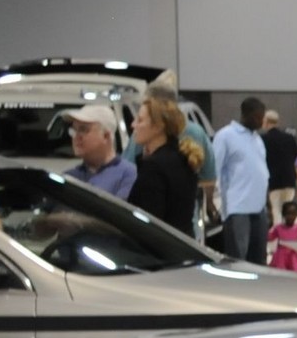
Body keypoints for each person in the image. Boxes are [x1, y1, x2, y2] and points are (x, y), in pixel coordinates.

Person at [212, 96, 273, 262]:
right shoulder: (225, 136)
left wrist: (268, 205)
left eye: (262, 117)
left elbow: (262, 173)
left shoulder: (257, 139)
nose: (261, 122)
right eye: (257, 117)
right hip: (237, 208)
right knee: (238, 259)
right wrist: (214, 204)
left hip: (259, 209)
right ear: (245, 115)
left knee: (259, 259)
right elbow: (214, 170)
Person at [129, 97, 200, 237]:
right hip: (184, 243)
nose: (133, 125)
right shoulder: (183, 158)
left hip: (162, 251)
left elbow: (150, 223)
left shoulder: (155, 167)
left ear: (158, 126)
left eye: (140, 120)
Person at [65, 103, 137, 201]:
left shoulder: (127, 174)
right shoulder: (69, 177)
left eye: (83, 129)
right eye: (74, 130)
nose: (76, 136)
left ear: (106, 136)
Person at [259, 106, 297, 215]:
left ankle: (279, 232)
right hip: (290, 179)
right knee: (288, 211)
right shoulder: (290, 138)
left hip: (273, 180)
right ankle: (288, 232)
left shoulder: (262, 139)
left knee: (276, 210)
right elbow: (295, 157)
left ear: (266, 122)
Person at [266, 199, 297, 273]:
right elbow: (270, 237)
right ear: (283, 214)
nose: (290, 216)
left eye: (293, 214)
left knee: (296, 272)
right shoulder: (278, 228)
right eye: (288, 214)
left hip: (294, 255)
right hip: (280, 256)